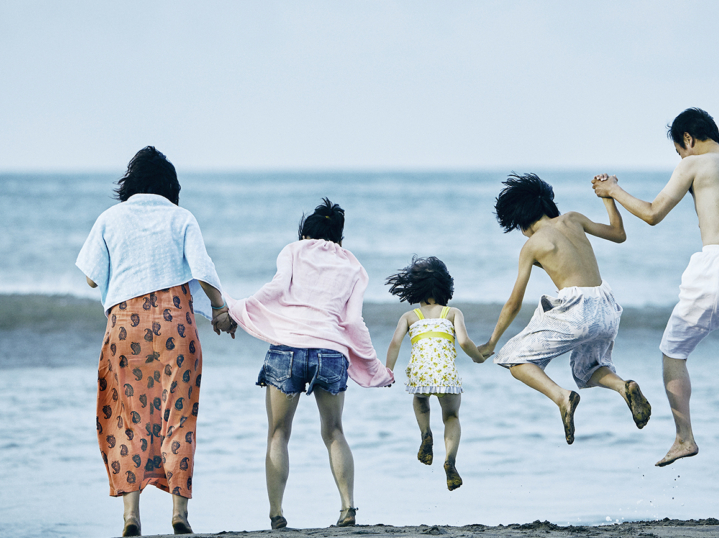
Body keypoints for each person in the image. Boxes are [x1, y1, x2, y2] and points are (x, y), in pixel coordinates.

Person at [592, 108, 719, 468]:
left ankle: (684, 438)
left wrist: (612, 190)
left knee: (673, 352)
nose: (681, 157)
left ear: (688, 139)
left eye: (679, 150)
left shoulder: (694, 164)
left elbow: (651, 213)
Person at [76, 146, 236, 537]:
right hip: (174, 327)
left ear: (130, 184)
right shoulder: (181, 218)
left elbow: (91, 278)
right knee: (179, 417)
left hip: (124, 327)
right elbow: (203, 269)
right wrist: (219, 308)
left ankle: (132, 516)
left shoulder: (110, 218)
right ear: (170, 185)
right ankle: (179, 513)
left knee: (126, 417)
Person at [222, 199, 394, 530]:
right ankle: (347, 508)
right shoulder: (354, 267)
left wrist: (237, 309)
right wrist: (375, 369)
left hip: (287, 348)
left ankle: (276, 514)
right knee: (334, 431)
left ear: (305, 233)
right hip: (330, 352)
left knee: (278, 433)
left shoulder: (293, 251)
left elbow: (274, 290)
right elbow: (354, 322)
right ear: (339, 238)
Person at [477, 173, 651, 445]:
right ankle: (623, 386)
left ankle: (561, 397)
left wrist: (491, 343)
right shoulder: (573, 218)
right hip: (606, 307)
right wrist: (607, 198)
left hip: (577, 311)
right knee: (588, 369)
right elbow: (619, 234)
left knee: (513, 358)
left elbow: (514, 302)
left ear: (520, 220)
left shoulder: (532, 244)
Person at [385, 256, 486, 491]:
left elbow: (394, 344)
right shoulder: (452, 313)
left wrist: (388, 371)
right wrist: (478, 357)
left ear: (415, 288)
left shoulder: (410, 316)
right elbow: (463, 341)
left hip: (420, 374)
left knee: (421, 402)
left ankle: (425, 434)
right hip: (446, 374)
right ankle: (450, 461)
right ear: (445, 287)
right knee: (451, 417)